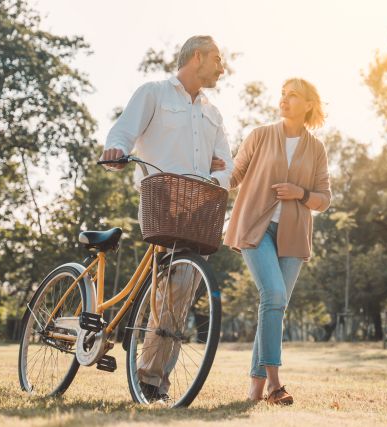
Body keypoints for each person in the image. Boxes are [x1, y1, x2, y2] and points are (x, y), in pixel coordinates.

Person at [100, 35, 233, 402]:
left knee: (181, 290)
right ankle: (150, 378)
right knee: (171, 289)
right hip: (161, 203)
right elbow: (124, 130)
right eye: (217, 59)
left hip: (199, 209)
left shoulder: (213, 113)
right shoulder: (154, 93)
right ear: (197, 57)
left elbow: (229, 165)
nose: (222, 68)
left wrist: (213, 176)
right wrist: (116, 150)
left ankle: (151, 379)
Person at [222, 78, 331, 405]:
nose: (284, 100)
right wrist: (208, 171)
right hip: (256, 227)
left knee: (275, 305)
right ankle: (274, 384)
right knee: (273, 295)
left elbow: (324, 199)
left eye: (293, 96)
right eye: (283, 95)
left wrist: (302, 194)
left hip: (294, 237)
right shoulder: (260, 135)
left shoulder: (316, 149)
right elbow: (234, 175)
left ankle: (255, 392)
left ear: (309, 104)